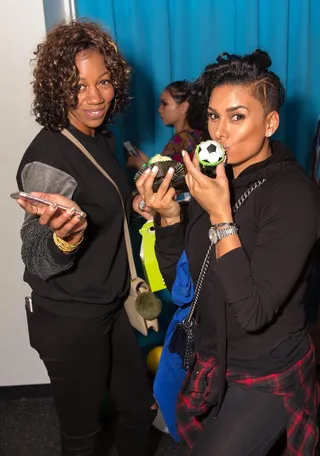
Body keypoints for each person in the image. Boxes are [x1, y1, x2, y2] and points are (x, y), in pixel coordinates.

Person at [136, 49, 320, 455]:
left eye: (237, 117)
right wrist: (169, 218)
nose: (219, 132)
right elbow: (182, 285)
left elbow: (253, 311)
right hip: (211, 361)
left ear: (270, 122)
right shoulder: (215, 181)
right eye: (214, 116)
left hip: (265, 370)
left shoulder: (294, 198)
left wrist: (221, 216)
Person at [14, 20, 157, 456]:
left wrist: (134, 203)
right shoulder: (47, 158)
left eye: (104, 81)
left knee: (138, 411)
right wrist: (64, 240)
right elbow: (36, 254)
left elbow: (104, 199)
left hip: (107, 307)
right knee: (81, 437)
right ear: (56, 88)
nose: (94, 97)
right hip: (69, 319)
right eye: (78, 85)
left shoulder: (98, 137)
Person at [127, 80, 204, 169]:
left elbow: (168, 180)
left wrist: (139, 164)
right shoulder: (198, 135)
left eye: (165, 103)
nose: (160, 109)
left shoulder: (181, 140)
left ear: (184, 107)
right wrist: (147, 162)